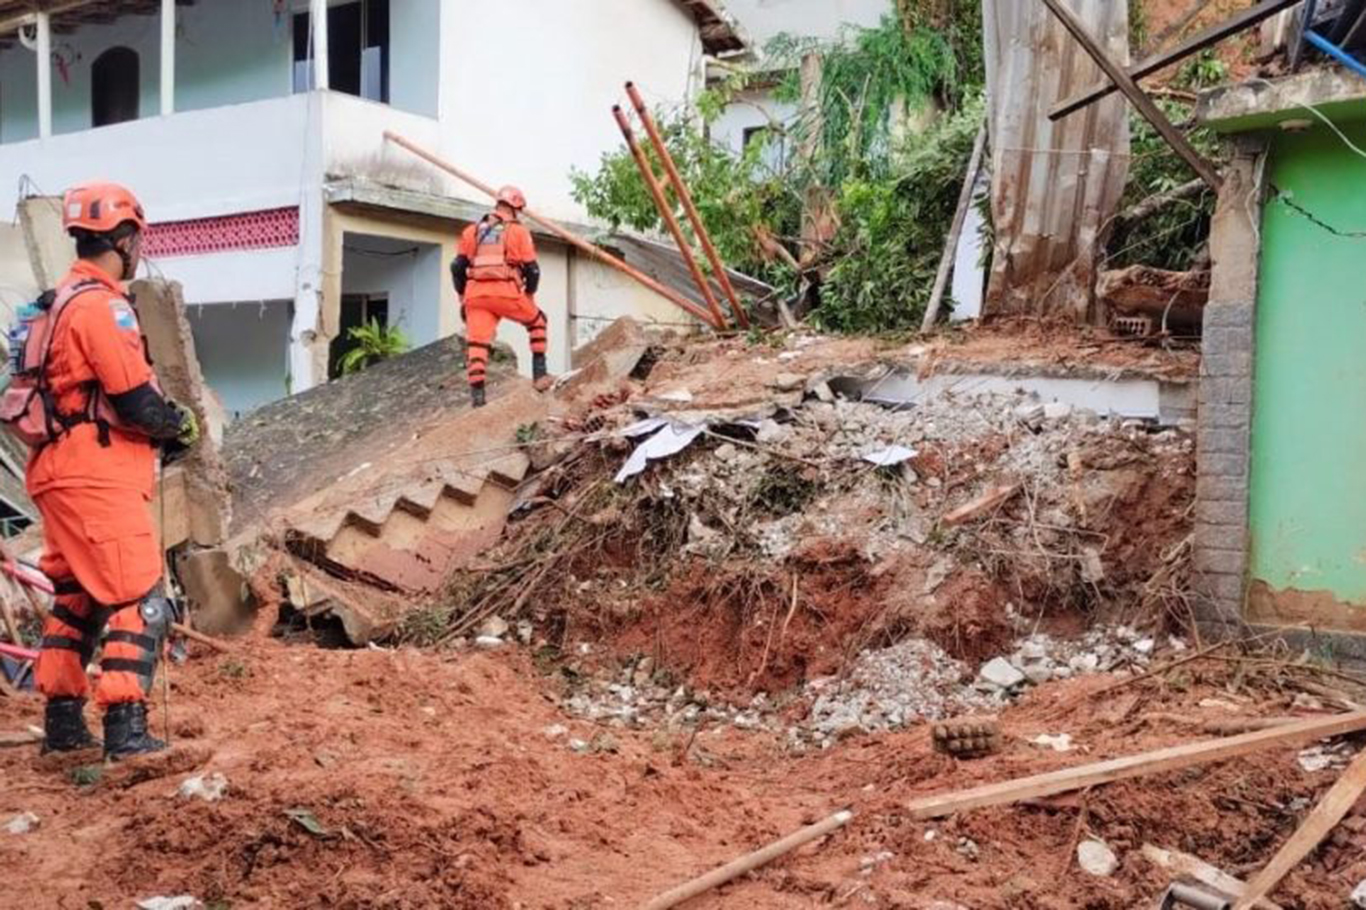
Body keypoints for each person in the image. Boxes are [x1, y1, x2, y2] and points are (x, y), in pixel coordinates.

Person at [30, 182, 199, 760]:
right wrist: (178, 425)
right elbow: (135, 401)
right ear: (124, 239)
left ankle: (63, 728)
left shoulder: (52, 304)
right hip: (96, 472)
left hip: (55, 470)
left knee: (75, 598)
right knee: (141, 596)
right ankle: (126, 731)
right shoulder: (103, 308)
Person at [450, 186, 552, 407]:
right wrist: (530, 295)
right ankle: (540, 375)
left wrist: (461, 295)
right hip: (506, 292)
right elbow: (532, 270)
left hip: (476, 296)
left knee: (477, 343)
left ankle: (478, 400)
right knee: (538, 322)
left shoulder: (472, 231)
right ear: (516, 208)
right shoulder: (518, 231)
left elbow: (457, 266)